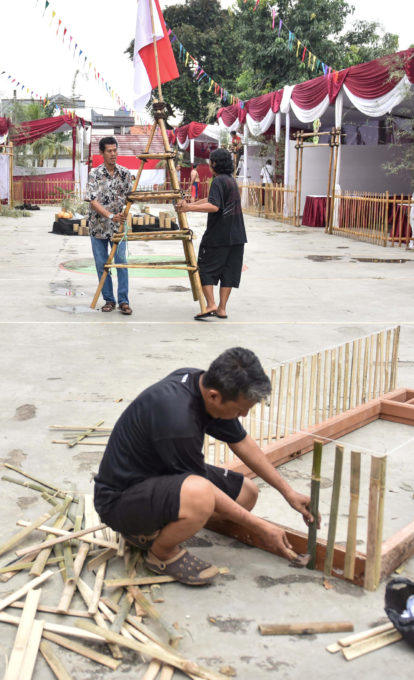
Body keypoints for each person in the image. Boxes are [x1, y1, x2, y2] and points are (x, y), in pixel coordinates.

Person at [93, 347, 312, 585]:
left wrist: (288, 492)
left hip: (160, 474)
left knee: (248, 493)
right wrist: (261, 527)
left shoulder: (200, 382)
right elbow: (203, 489)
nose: (245, 415)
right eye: (240, 410)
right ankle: (160, 553)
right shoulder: (177, 419)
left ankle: (171, 524)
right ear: (214, 396)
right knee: (200, 495)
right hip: (120, 500)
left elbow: (241, 442)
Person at [176, 148, 246, 320]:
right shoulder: (230, 180)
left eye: (210, 161)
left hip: (219, 235)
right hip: (237, 235)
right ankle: (221, 308)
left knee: (206, 268)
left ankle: (211, 304)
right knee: (228, 272)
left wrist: (189, 207)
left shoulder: (217, 181)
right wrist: (191, 206)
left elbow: (215, 206)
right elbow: (212, 200)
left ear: (215, 163)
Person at [86, 136, 133, 315]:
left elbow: (130, 198)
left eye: (115, 150)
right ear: (102, 153)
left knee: (121, 262)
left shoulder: (125, 174)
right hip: (98, 227)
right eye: (109, 151)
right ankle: (109, 300)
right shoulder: (94, 174)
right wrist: (110, 215)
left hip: (118, 228)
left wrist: (122, 214)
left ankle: (123, 301)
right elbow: (92, 200)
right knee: (102, 264)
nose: (113, 154)